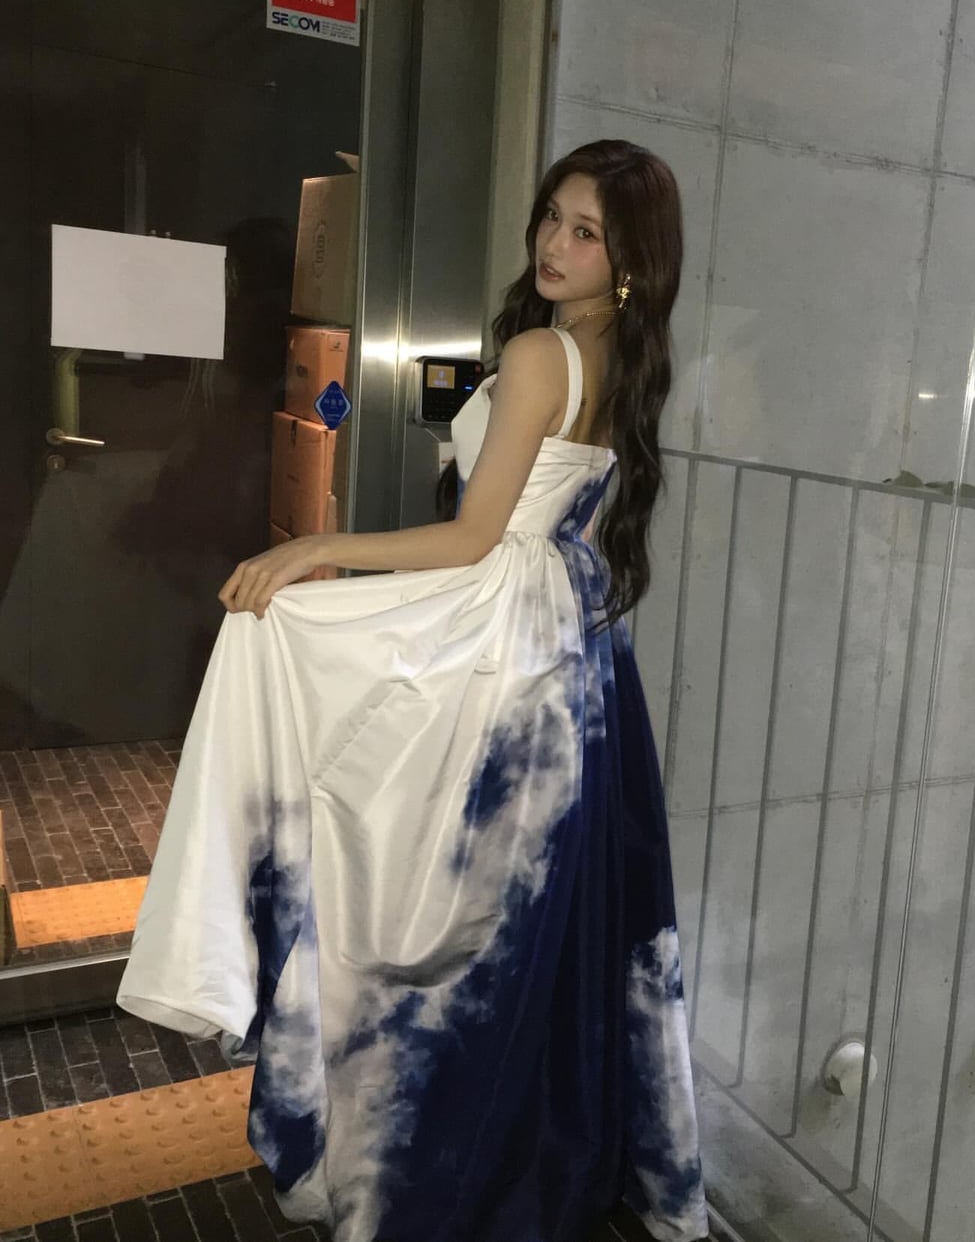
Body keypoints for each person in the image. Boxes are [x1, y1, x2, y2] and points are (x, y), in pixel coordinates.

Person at [117, 139, 708, 1242]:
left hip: (501, 645)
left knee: (416, 901)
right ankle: (510, 1157)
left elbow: (475, 535)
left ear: (629, 260)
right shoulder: (620, 354)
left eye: (587, 232)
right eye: (553, 215)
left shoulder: (541, 353)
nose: (554, 242)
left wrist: (316, 546)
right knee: (513, 926)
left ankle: (418, 1158)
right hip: (565, 658)